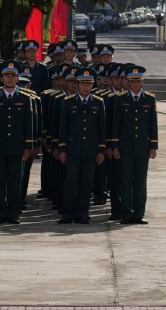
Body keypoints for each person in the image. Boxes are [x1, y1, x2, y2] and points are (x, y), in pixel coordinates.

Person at [0, 61, 37, 225]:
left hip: (17, 147)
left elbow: (29, 124)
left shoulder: (26, 98)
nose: (10, 78)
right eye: (7, 75)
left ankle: (13, 213)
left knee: (15, 181)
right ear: (1, 79)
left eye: (13, 76)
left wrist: (28, 146)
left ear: (17, 78)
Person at [56, 67, 107, 225]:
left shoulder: (98, 102)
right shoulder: (68, 102)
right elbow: (63, 127)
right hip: (72, 150)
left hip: (90, 150)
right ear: (77, 84)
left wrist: (101, 150)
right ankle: (67, 213)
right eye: (83, 84)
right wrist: (62, 149)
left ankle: (82, 213)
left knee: (86, 182)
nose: (86, 87)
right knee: (70, 181)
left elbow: (102, 129)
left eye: (89, 84)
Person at [110, 65, 157, 225]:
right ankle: (126, 213)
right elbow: (116, 124)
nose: (135, 84)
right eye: (132, 81)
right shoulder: (121, 99)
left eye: (138, 81)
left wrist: (153, 146)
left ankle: (139, 213)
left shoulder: (149, 99)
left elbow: (153, 125)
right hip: (126, 146)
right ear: (128, 82)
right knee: (126, 180)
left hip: (143, 146)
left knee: (140, 181)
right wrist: (115, 146)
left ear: (142, 82)